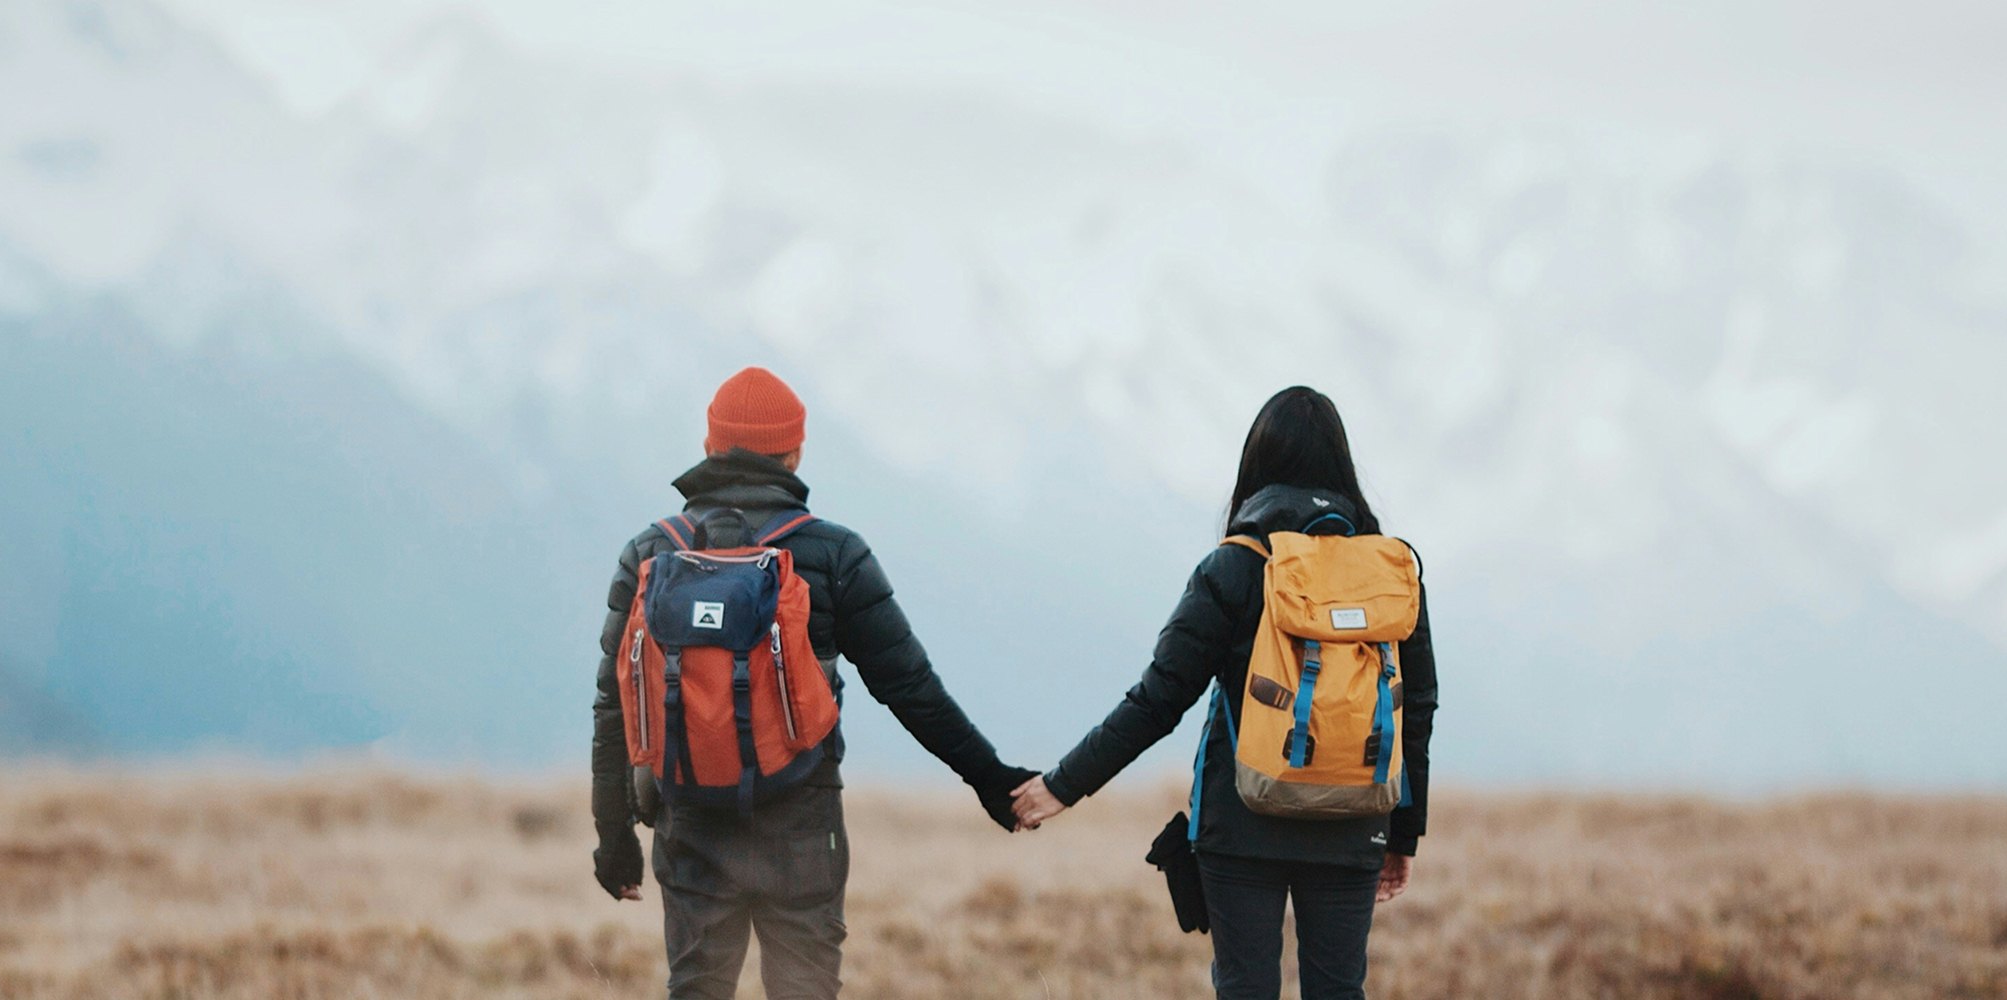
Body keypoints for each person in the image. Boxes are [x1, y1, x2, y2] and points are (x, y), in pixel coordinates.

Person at [592, 366, 1040, 1000]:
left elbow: (614, 701)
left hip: (688, 820)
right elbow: (911, 688)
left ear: (709, 448)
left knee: (696, 987)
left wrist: (613, 835)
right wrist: (991, 780)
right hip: (802, 829)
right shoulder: (833, 555)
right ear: (795, 452)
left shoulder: (650, 554)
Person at [1010, 386, 1439, 1000]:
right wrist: (1403, 832)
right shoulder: (1391, 576)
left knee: (1244, 990)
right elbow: (1416, 706)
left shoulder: (1235, 567)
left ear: (1256, 465)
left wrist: (1061, 785)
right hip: (1354, 820)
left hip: (1241, 826)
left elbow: (1158, 700)